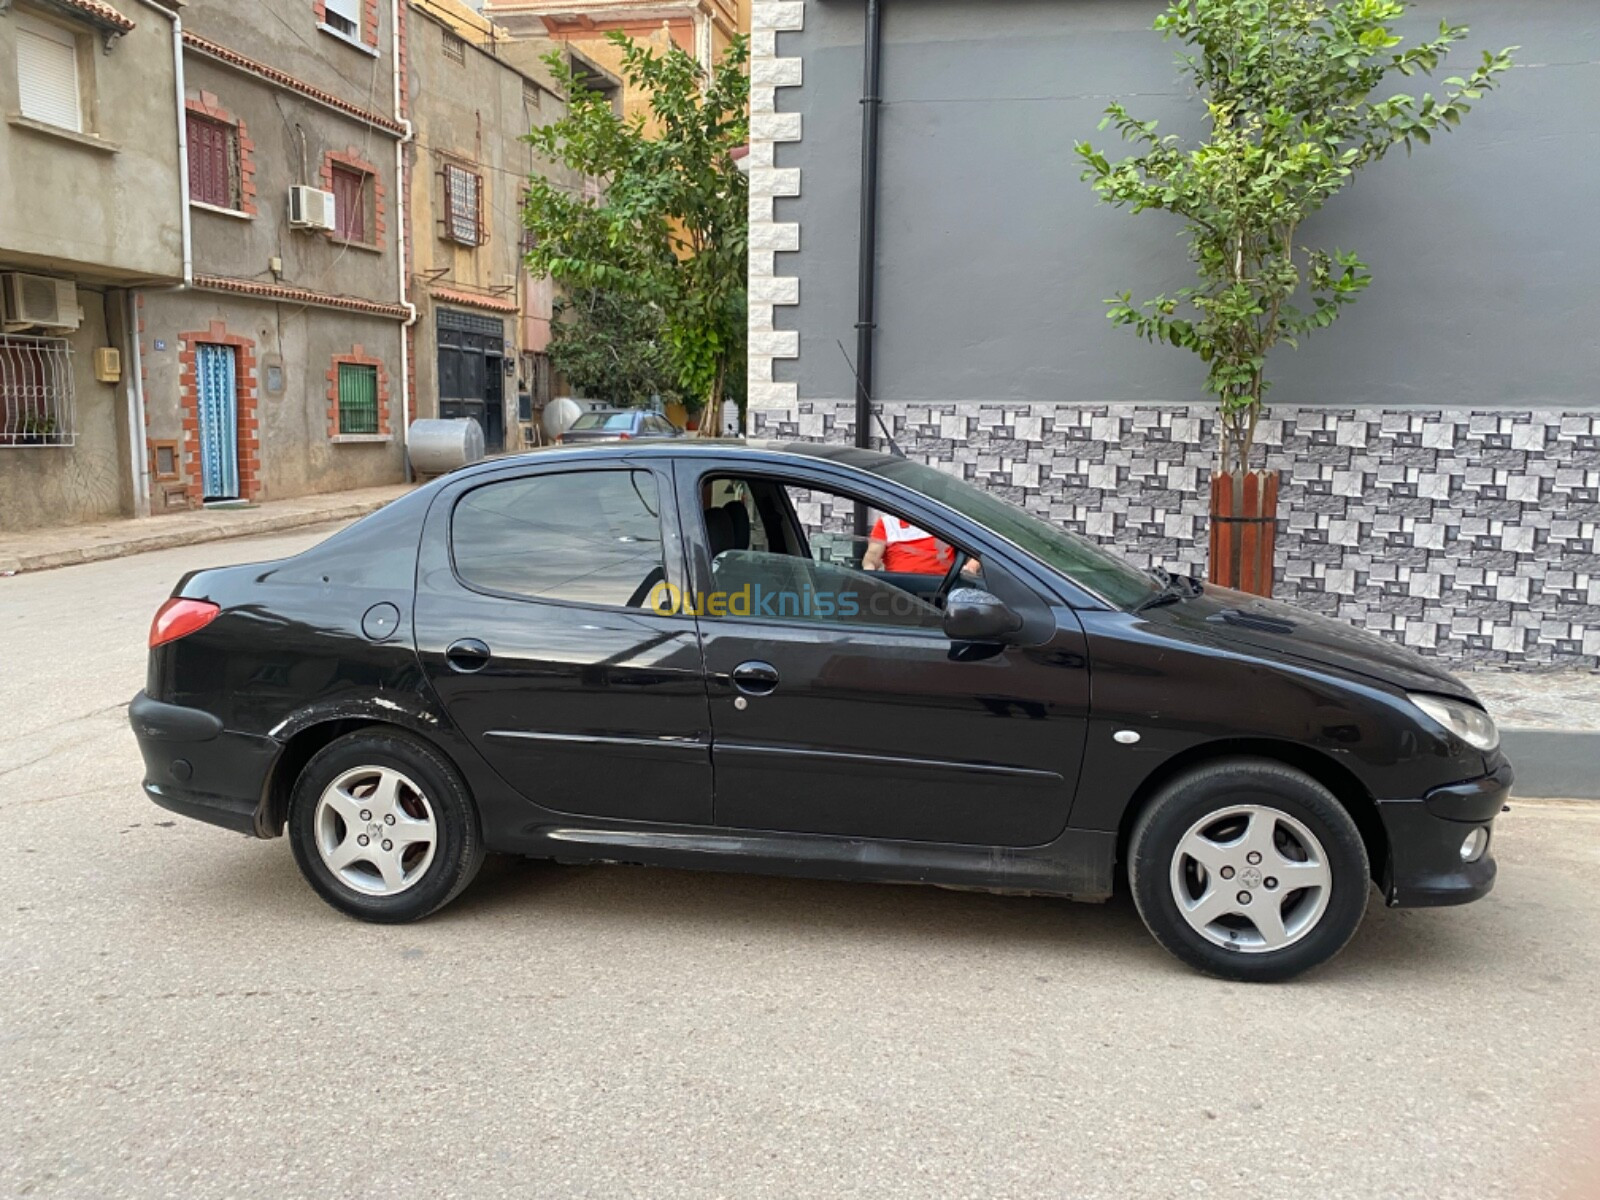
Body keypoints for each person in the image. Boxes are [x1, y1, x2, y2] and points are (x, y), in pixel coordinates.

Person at [862, 514, 976, 576]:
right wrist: (869, 572)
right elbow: (871, 558)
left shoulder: (946, 519)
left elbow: (982, 547)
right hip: (900, 590)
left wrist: (971, 567)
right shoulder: (887, 523)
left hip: (943, 588)